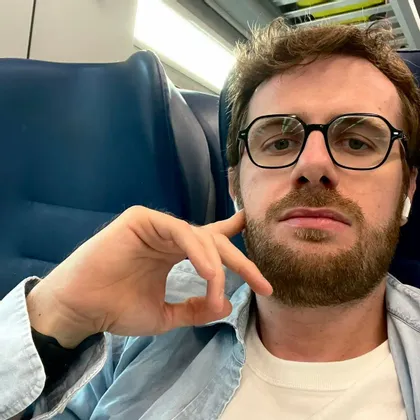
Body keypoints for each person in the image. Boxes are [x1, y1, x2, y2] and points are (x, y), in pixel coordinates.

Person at [2, 19, 420, 420]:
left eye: (356, 142)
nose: (313, 164)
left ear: (408, 189)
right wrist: (54, 317)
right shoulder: (139, 319)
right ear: (235, 186)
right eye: (279, 142)